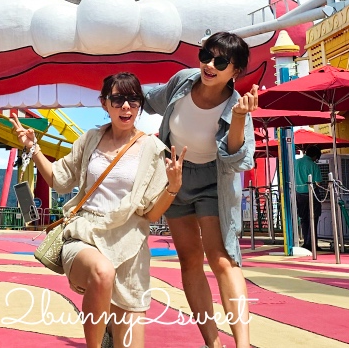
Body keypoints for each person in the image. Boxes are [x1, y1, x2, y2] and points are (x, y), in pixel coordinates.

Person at [15, 73, 185, 348]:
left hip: (129, 245)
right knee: (102, 272)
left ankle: (107, 324)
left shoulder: (154, 149)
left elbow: (152, 215)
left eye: (133, 99)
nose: (126, 106)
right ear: (105, 103)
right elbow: (59, 180)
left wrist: (173, 187)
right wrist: (33, 147)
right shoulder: (90, 139)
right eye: (117, 99)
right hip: (85, 234)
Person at [144, 32, 257, 348]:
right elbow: (152, 98)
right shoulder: (183, 81)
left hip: (212, 180)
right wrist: (121, 91)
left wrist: (238, 118)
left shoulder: (236, 105)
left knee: (221, 258)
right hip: (174, 175)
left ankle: (243, 345)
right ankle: (213, 343)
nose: (209, 65)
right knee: (189, 259)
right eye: (206, 55)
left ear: (235, 71)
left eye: (220, 62)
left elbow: (235, 157)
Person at [294, 146, 324, 252]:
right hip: (311, 193)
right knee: (313, 218)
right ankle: (312, 243)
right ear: (315, 156)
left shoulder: (295, 162)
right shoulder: (314, 165)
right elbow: (318, 183)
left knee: (303, 219)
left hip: (298, 193)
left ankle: (306, 242)